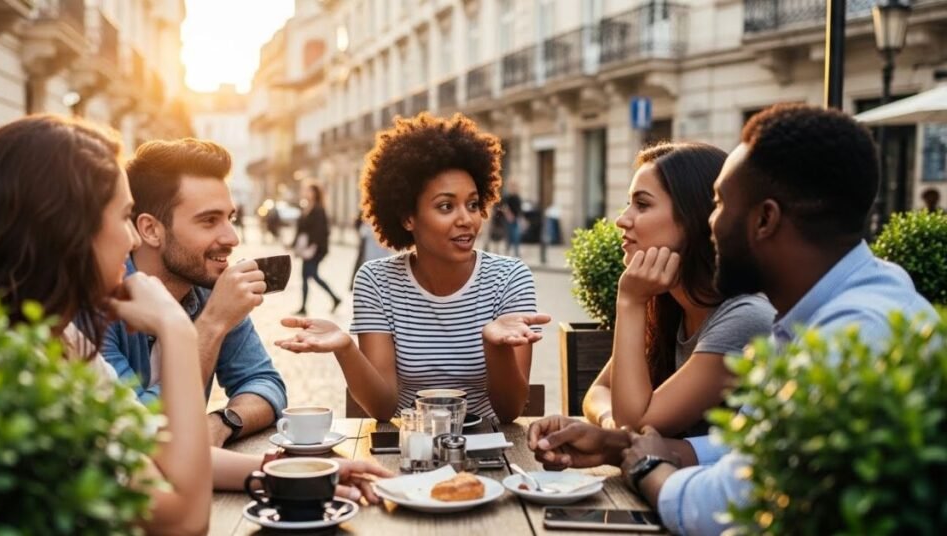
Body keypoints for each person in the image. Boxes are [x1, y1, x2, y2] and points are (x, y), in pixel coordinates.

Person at [0, 117, 390, 533]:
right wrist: (181, 329)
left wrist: (282, 474)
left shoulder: (64, 339)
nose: (128, 238)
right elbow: (183, 518)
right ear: (65, 230)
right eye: (123, 217)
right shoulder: (11, 362)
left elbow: (142, 448)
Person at [527, 104, 937, 535]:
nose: (711, 223)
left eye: (720, 204)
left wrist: (647, 464)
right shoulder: (825, 310)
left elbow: (724, 505)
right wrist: (621, 445)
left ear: (765, 220)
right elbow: (759, 447)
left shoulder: (853, 334)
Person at [276, 113, 551, 423]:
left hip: (489, 450)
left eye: (473, 204)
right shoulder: (377, 281)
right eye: (446, 206)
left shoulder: (510, 278)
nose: (467, 219)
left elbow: (510, 410)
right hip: (408, 450)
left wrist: (494, 345)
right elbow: (382, 408)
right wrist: (345, 349)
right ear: (408, 217)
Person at [102, 138, 287, 448]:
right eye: (209, 221)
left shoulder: (206, 288)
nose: (232, 237)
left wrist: (223, 422)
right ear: (150, 230)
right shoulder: (100, 301)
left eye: (231, 218)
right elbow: (137, 433)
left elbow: (265, 384)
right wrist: (213, 322)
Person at [583, 143, 774, 437]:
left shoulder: (744, 317)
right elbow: (599, 391)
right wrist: (611, 422)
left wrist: (630, 301)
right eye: (628, 204)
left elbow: (637, 423)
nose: (622, 219)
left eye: (642, 205)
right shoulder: (665, 301)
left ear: (694, 217)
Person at [292, 183, 342, 315]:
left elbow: (321, 231)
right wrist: (293, 244)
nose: (306, 193)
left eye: (309, 191)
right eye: (306, 190)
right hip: (306, 249)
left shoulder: (319, 210)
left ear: (315, 193)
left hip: (316, 249)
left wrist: (313, 246)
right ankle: (304, 306)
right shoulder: (305, 208)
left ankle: (335, 298)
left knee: (312, 275)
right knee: (306, 276)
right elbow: (301, 229)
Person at [501, 180, 523, 257]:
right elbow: (504, 207)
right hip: (508, 220)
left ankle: (516, 253)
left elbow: (519, 209)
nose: (514, 188)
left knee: (516, 236)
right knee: (509, 237)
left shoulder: (517, 197)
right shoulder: (507, 197)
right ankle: (507, 252)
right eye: (513, 186)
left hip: (516, 219)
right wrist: (508, 215)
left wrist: (521, 219)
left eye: (515, 186)